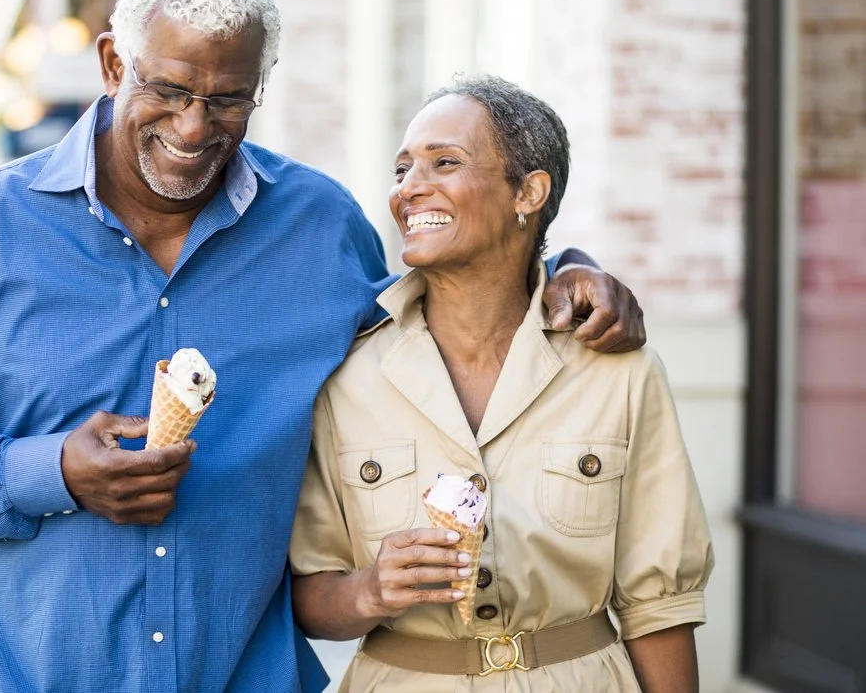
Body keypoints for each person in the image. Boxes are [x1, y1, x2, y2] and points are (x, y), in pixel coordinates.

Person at [0, 0, 648, 692]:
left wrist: (561, 266)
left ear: (260, 87)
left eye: (227, 100)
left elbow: (443, 320)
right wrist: (50, 472)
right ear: (114, 64)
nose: (194, 127)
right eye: (169, 89)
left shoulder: (318, 228)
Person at [289, 75, 713, 692]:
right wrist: (369, 590)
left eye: (445, 162)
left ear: (528, 192)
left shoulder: (618, 371)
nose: (410, 187)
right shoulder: (347, 375)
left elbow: (660, 608)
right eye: (402, 168)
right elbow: (307, 593)